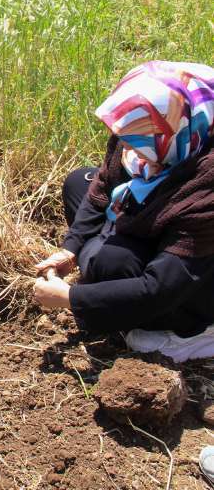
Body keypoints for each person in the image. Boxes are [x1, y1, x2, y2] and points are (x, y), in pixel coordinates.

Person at [33, 61, 214, 363]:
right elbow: (101, 188)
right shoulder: (155, 135)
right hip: (162, 226)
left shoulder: (205, 190)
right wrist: (70, 249)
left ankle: (197, 332)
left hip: (197, 274)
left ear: (180, 133)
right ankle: (110, 286)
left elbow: (158, 289)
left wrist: (70, 299)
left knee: (112, 263)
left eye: (141, 145)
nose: (130, 151)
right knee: (79, 182)